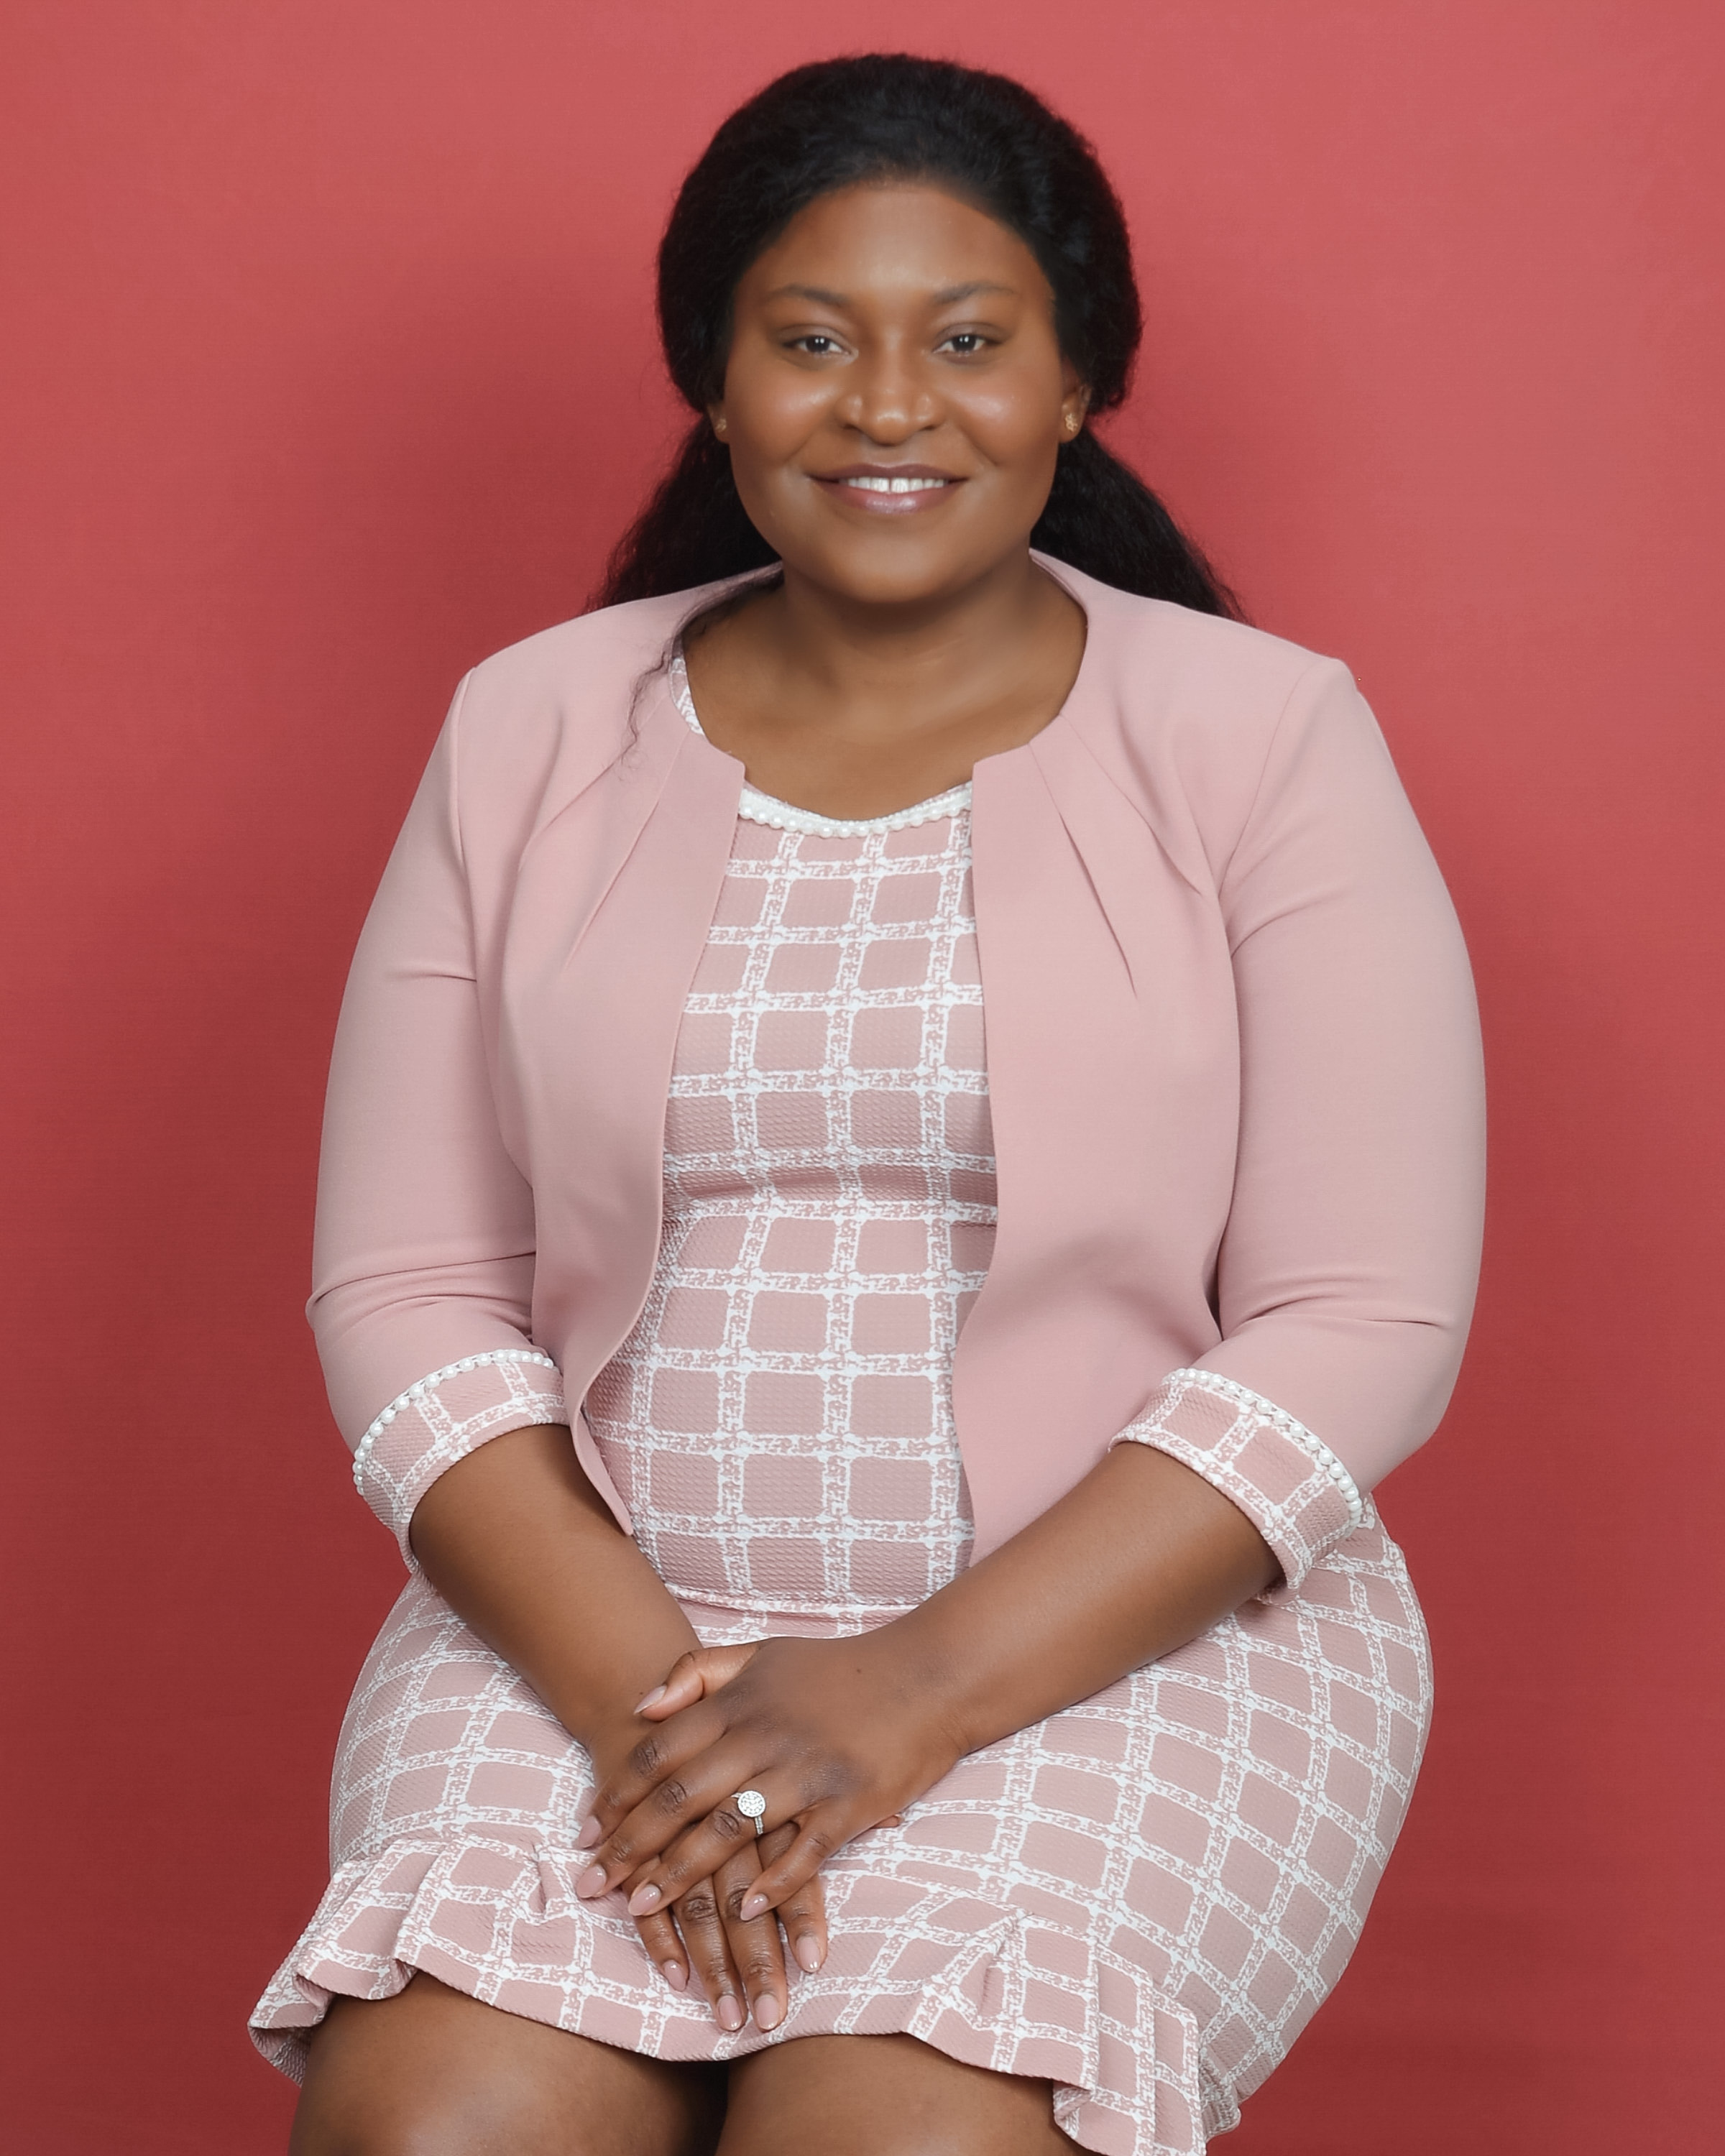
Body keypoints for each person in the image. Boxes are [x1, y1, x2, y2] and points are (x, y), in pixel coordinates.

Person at [252, 52, 1485, 2156]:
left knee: (890, 2140)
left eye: (970, 343)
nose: (890, 407)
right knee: (437, 2127)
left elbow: (1363, 1318)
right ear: (714, 383)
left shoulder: (1264, 735)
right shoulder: (530, 727)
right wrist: (671, 1711)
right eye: (813, 342)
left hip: (1113, 1652)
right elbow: (404, 1285)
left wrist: (900, 1695)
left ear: (1079, 381)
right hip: (595, 1646)